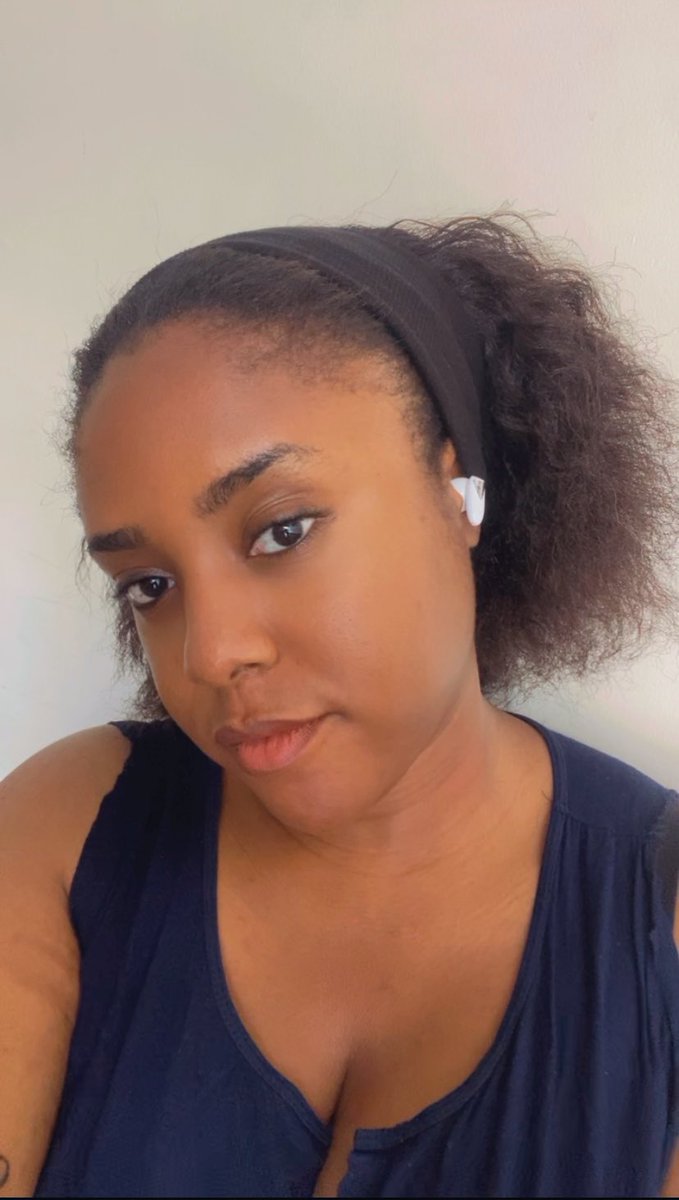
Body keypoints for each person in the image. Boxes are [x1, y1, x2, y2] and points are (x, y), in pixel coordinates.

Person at [1, 215, 678, 1199]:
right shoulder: (74, 826)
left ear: (457, 489)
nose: (209, 653)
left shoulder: (656, 926)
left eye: (282, 530)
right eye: (149, 584)